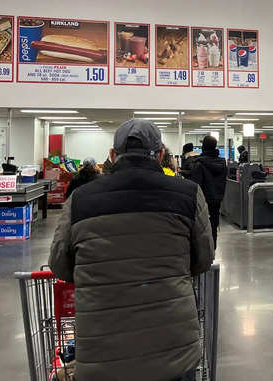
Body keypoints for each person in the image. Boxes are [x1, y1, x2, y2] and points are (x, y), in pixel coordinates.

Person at [49, 119, 214, 381]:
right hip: (173, 349)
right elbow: (203, 259)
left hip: (102, 351)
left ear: (113, 156)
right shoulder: (188, 194)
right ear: (161, 155)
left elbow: (60, 265)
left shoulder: (80, 200)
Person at [188, 136, 227, 249]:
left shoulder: (199, 163)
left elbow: (196, 183)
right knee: (214, 225)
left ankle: (204, 252)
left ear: (204, 146)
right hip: (217, 199)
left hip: (203, 200)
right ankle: (213, 248)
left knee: (201, 227)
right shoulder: (222, 162)